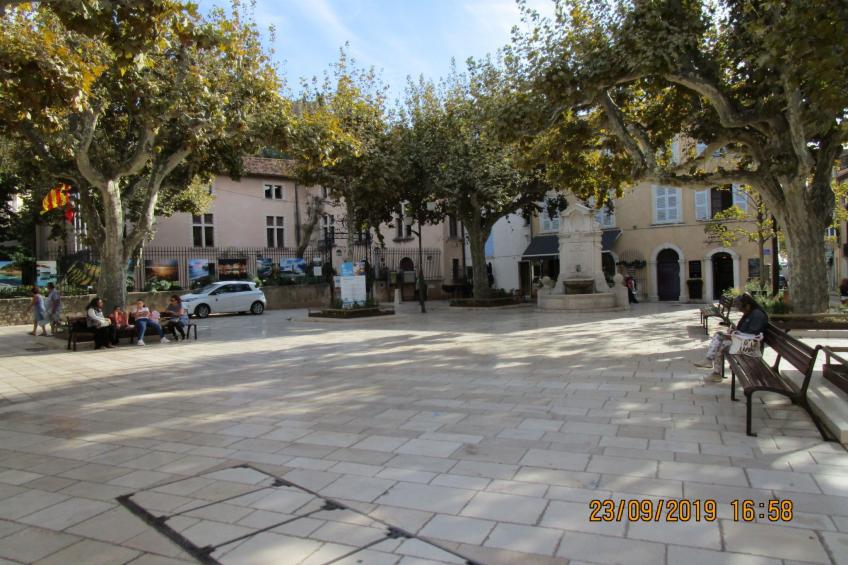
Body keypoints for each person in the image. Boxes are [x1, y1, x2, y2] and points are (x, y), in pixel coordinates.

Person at [694, 294, 769, 382]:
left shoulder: (757, 315)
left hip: (750, 346)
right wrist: (733, 332)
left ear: (748, 305)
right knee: (719, 335)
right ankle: (709, 360)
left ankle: (716, 373)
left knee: (722, 344)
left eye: (741, 308)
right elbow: (743, 331)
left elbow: (752, 335)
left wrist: (734, 336)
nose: (740, 310)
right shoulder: (749, 312)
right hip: (743, 341)